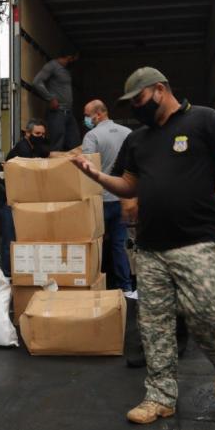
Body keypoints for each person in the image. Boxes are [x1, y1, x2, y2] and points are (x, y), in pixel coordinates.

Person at [71, 67, 215, 425]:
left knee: (206, 315)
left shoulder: (204, 121)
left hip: (195, 242)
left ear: (160, 89)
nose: (137, 108)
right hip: (150, 248)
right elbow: (129, 186)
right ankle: (160, 396)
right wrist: (95, 176)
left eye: (140, 99)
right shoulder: (138, 139)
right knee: (155, 325)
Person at [81, 99, 133, 293]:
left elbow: (86, 169)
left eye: (87, 115)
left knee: (95, 244)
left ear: (99, 114)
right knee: (119, 245)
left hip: (99, 200)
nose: (86, 119)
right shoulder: (128, 134)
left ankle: (94, 284)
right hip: (122, 199)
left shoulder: (92, 136)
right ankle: (126, 287)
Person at [0, 119, 51, 275]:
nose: (41, 136)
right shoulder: (23, 149)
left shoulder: (36, 147)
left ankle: (22, 272)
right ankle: (7, 274)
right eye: (37, 134)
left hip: (22, 198)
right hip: (9, 198)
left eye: (43, 134)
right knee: (10, 238)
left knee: (23, 238)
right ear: (27, 134)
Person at [32, 48, 82, 151]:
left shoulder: (66, 70)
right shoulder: (52, 66)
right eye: (74, 59)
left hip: (69, 113)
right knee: (57, 144)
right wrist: (50, 98)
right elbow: (37, 82)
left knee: (75, 144)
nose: (75, 62)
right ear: (69, 57)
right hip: (57, 113)